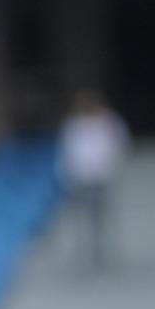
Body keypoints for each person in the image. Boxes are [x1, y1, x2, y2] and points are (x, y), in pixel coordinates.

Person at [56, 89, 129, 270]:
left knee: (100, 215)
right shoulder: (73, 125)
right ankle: (84, 253)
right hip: (81, 176)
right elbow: (68, 151)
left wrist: (111, 165)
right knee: (82, 215)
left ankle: (101, 252)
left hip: (101, 175)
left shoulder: (109, 122)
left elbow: (120, 144)